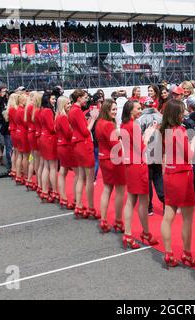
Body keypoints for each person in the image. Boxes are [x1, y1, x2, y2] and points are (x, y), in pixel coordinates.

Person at [160, 99, 195, 269]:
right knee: (187, 219)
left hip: (169, 173)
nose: (184, 113)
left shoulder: (165, 130)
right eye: (182, 111)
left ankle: (168, 253)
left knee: (168, 216)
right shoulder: (179, 130)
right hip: (182, 174)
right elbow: (189, 156)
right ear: (176, 113)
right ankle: (187, 253)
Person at [120, 100, 159, 249]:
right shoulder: (133, 125)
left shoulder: (125, 124)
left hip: (130, 164)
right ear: (131, 111)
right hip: (138, 165)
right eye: (138, 108)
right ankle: (143, 233)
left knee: (132, 200)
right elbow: (141, 147)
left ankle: (132, 234)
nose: (140, 110)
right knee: (142, 201)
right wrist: (148, 135)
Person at [95, 99, 126, 233]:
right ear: (106, 110)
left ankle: (103, 219)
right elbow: (115, 146)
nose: (115, 111)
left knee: (107, 189)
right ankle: (118, 220)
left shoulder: (99, 123)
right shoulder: (108, 125)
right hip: (114, 160)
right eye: (112, 109)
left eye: (115, 109)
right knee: (119, 192)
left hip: (103, 158)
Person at [68, 89, 99, 219]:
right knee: (89, 178)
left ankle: (79, 204)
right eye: (85, 97)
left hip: (77, 144)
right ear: (79, 98)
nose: (86, 99)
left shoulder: (71, 111)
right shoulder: (77, 111)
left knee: (81, 176)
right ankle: (90, 207)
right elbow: (86, 131)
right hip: (84, 145)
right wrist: (93, 118)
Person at [137, 97, 165, 216]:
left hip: (146, 152)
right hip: (158, 151)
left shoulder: (140, 119)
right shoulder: (160, 117)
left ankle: (149, 207)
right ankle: (165, 202)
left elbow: (138, 137)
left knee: (148, 180)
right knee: (158, 178)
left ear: (143, 105)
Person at [55, 96, 77, 210]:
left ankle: (63, 197)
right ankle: (75, 198)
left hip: (62, 146)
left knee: (63, 172)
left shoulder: (59, 116)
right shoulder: (63, 117)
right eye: (67, 103)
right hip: (66, 147)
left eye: (70, 103)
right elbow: (69, 134)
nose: (70, 105)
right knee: (78, 174)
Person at [38, 93, 58, 203]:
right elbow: (51, 128)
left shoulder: (42, 110)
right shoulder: (48, 111)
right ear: (48, 100)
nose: (54, 101)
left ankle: (45, 190)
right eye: (53, 99)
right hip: (49, 139)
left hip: (43, 138)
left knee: (46, 166)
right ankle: (54, 190)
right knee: (53, 167)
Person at [25, 92, 42, 191]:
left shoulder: (29, 107)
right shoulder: (33, 108)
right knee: (37, 160)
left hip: (31, 132)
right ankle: (38, 182)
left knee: (33, 158)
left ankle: (30, 179)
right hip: (35, 133)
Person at [14, 93, 31, 185]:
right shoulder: (21, 111)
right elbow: (26, 124)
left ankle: (18, 174)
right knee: (25, 155)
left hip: (18, 132)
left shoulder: (18, 110)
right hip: (23, 133)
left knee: (20, 155)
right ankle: (26, 175)